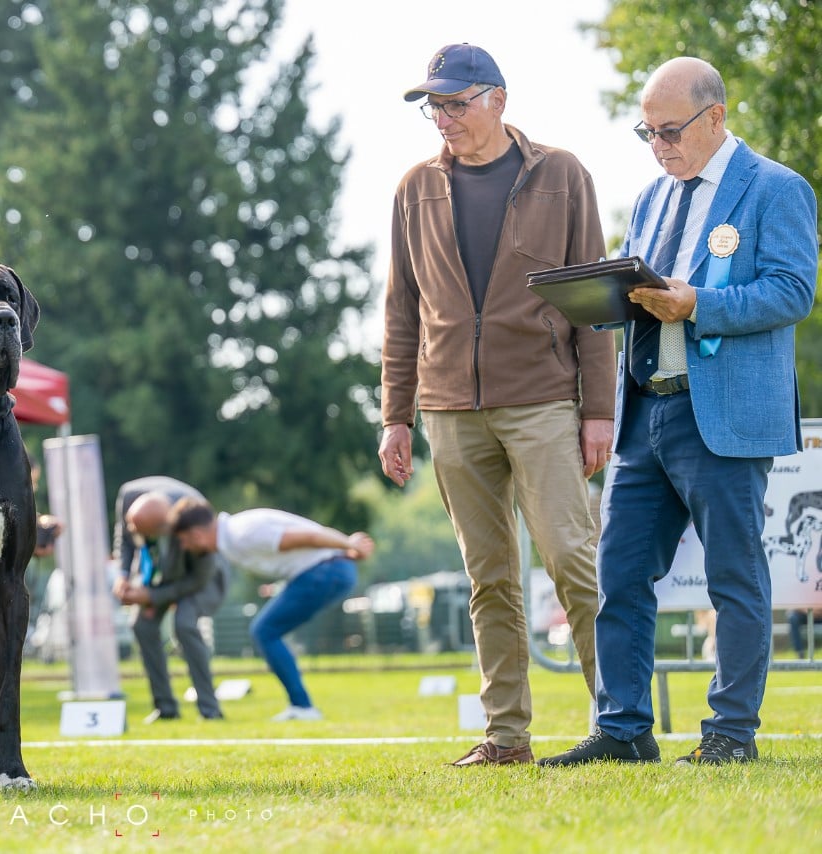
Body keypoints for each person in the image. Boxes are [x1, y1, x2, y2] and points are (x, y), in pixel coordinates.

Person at [540, 57, 817, 767]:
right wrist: (598, 297)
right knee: (620, 576)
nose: (659, 146)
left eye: (669, 131)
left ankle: (731, 732)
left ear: (715, 117)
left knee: (733, 578)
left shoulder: (776, 188)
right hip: (646, 412)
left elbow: (793, 291)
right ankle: (623, 729)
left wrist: (699, 304)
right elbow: (640, 289)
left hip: (722, 415)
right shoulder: (651, 197)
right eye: (648, 133)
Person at [378, 43, 613, 766]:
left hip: (543, 400)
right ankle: (507, 737)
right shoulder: (414, 188)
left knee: (572, 559)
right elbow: (401, 311)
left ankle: (620, 721)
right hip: (449, 409)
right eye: (434, 107)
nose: (443, 118)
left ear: (498, 100)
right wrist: (395, 416)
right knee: (489, 577)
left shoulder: (563, 174)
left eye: (456, 103)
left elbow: (596, 302)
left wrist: (598, 409)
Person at [169, 497, 373, 721]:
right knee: (266, 631)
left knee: (265, 631)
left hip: (326, 571)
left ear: (196, 534)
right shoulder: (232, 539)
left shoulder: (241, 534)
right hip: (331, 569)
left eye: (183, 540)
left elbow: (309, 536)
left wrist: (349, 544)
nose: (184, 547)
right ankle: (301, 705)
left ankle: (302, 706)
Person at [112, 477, 229, 723]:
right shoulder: (129, 497)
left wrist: (152, 596)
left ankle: (210, 709)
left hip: (202, 577)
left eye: (144, 534)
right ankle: (165, 707)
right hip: (162, 572)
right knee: (141, 625)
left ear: (167, 530)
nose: (137, 536)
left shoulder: (193, 517)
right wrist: (122, 576)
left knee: (184, 623)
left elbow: (198, 579)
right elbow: (126, 539)